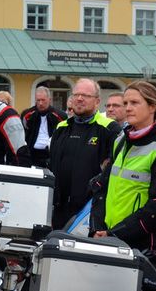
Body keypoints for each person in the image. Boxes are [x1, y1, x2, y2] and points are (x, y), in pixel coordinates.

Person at [91, 81, 156, 250]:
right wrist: (97, 229)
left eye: (134, 103)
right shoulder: (120, 141)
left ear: (152, 106)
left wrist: (116, 234)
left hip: (141, 246)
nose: (128, 108)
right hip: (108, 238)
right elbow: (101, 187)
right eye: (125, 103)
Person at [49, 78, 121, 229]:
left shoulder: (109, 129)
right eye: (76, 95)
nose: (79, 99)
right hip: (58, 207)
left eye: (86, 96)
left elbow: (113, 171)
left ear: (97, 101)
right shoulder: (61, 127)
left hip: (89, 210)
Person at [21, 86, 66, 168]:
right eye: (38, 100)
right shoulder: (27, 115)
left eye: (43, 100)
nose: (40, 103)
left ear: (49, 100)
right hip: (31, 154)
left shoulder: (60, 116)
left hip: (50, 155)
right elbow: (23, 133)